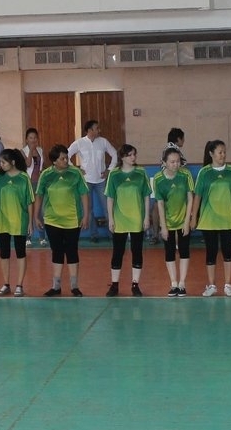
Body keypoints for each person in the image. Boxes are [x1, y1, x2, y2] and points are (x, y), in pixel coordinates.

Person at [34, 144, 90, 297]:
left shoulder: (75, 173)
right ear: (54, 161)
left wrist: (86, 215)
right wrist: (36, 216)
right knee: (57, 252)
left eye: (67, 158)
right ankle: (56, 286)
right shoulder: (46, 175)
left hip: (72, 220)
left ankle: (74, 286)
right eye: (62, 158)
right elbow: (39, 195)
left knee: (72, 252)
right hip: (52, 220)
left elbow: (84, 194)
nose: (66, 161)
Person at [191, 140, 231, 297]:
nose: (223, 155)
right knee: (211, 252)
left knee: (228, 252)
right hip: (209, 220)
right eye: (220, 152)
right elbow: (197, 196)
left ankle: (228, 285)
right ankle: (211, 285)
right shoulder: (204, 172)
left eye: (224, 152)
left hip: (227, 219)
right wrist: (194, 217)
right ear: (211, 154)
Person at [105, 144, 151, 297]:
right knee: (117, 251)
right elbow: (110, 198)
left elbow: (146, 195)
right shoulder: (114, 174)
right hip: (120, 219)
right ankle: (114, 285)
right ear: (122, 157)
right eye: (130, 155)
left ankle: (135, 284)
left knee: (137, 251)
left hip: (137, 218)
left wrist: (146, 217)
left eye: (134, 154)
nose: (133, 157)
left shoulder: (141, 172)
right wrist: (111, 219)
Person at [0, 148, 35, 297]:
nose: (1, 165)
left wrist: (30, 222)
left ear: (13, 162)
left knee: (20, 253)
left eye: (4, 162)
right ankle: (6, 284)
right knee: (4, 253)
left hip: (20, 221)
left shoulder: (24, 178)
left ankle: (19, 285)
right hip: (2, 221)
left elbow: (29, 201)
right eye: (0, 162)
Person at [68, 119, 118, 243]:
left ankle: (113, 234)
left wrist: (109, 170)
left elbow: (115, 154)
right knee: (88, 209)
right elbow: (66, 155)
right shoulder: (79, 143)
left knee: (107, 207)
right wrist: (76, 170)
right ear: (90, 130)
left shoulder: (103, 141)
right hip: (86, 181)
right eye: (96, 128)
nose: (99, 130)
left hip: (101, 180)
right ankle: (93, 234)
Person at [155, 147, 194, 297]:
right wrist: (163, 226)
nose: (176, 164)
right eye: (172, 162)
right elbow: (160, 204)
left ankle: (182, 283)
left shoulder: (186, 175)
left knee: (184, 250)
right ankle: (173, 283)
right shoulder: (158, 179)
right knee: (169, 251)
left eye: (178, 161)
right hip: (168, 221)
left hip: (183, 219)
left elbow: (190, 198)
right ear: (164, 162)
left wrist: (187, 221)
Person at [22, 127, 47, 247]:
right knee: (29, 211)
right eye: (30, 138)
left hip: (39, 184)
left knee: (40, 211)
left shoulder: (41, 150)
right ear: (26, 139)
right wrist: (31, 151)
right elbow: (27, 164)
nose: (33, 140)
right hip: (28, 184)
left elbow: (42, 166)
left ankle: (42, 237)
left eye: (35, 138)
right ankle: (28, 237)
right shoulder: (23, 151)